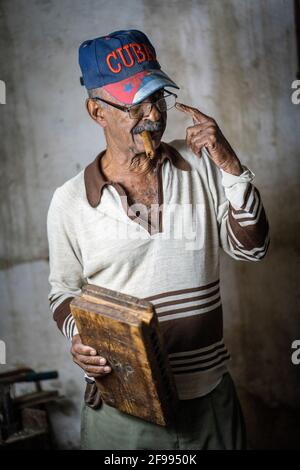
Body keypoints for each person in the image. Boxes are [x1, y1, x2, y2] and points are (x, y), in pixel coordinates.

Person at [47, 29, 270, 450]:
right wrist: (80, 338)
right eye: (135, 105)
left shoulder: (201, 165)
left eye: (157, 98)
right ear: (97, 111)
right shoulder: (69, 200)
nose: (152, 115)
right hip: (124, 410)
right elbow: (63, 291)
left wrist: (230, 166)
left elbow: (254, 248)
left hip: (209, 399)